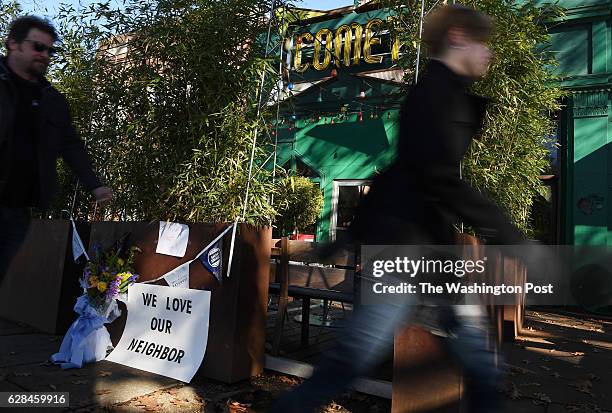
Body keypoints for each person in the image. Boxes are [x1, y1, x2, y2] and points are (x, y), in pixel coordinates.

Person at [269, 5, 527, 413]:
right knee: (357, 353)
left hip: (424, 244)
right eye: (483, 43)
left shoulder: (438, 91)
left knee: (472, 348)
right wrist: (507, 233)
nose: (489, 54)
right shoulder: (435, 94)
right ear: (458, 37)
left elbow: (400, 173)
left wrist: (353, 232)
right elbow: (433, 175)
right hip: (405, 247)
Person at [0, 16, 112, 284]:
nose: (45, 55)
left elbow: (70, 144)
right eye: (38, 47)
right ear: (13, 44)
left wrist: (94, 184)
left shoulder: (52, 99)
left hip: (16, 209)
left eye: (50, 50)